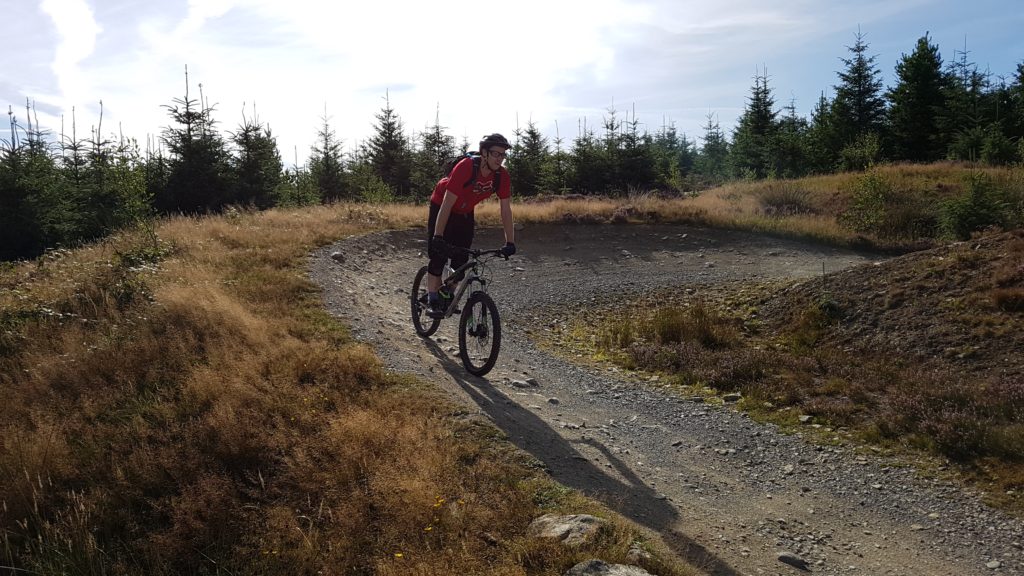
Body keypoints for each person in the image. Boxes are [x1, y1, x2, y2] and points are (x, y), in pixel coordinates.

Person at [425, 133, 516, 318]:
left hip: (465, 211)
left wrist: (510, 242)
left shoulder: (501, 176)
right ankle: (432, 299)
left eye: (503, 155)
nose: (500, 158)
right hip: (442, 204)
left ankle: (446, 294)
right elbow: (447, 204)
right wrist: (438, 236)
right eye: (496, 154)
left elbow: (505, 210)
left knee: (462, 261)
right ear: (484, 153)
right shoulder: (466, 167)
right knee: (438, 256)